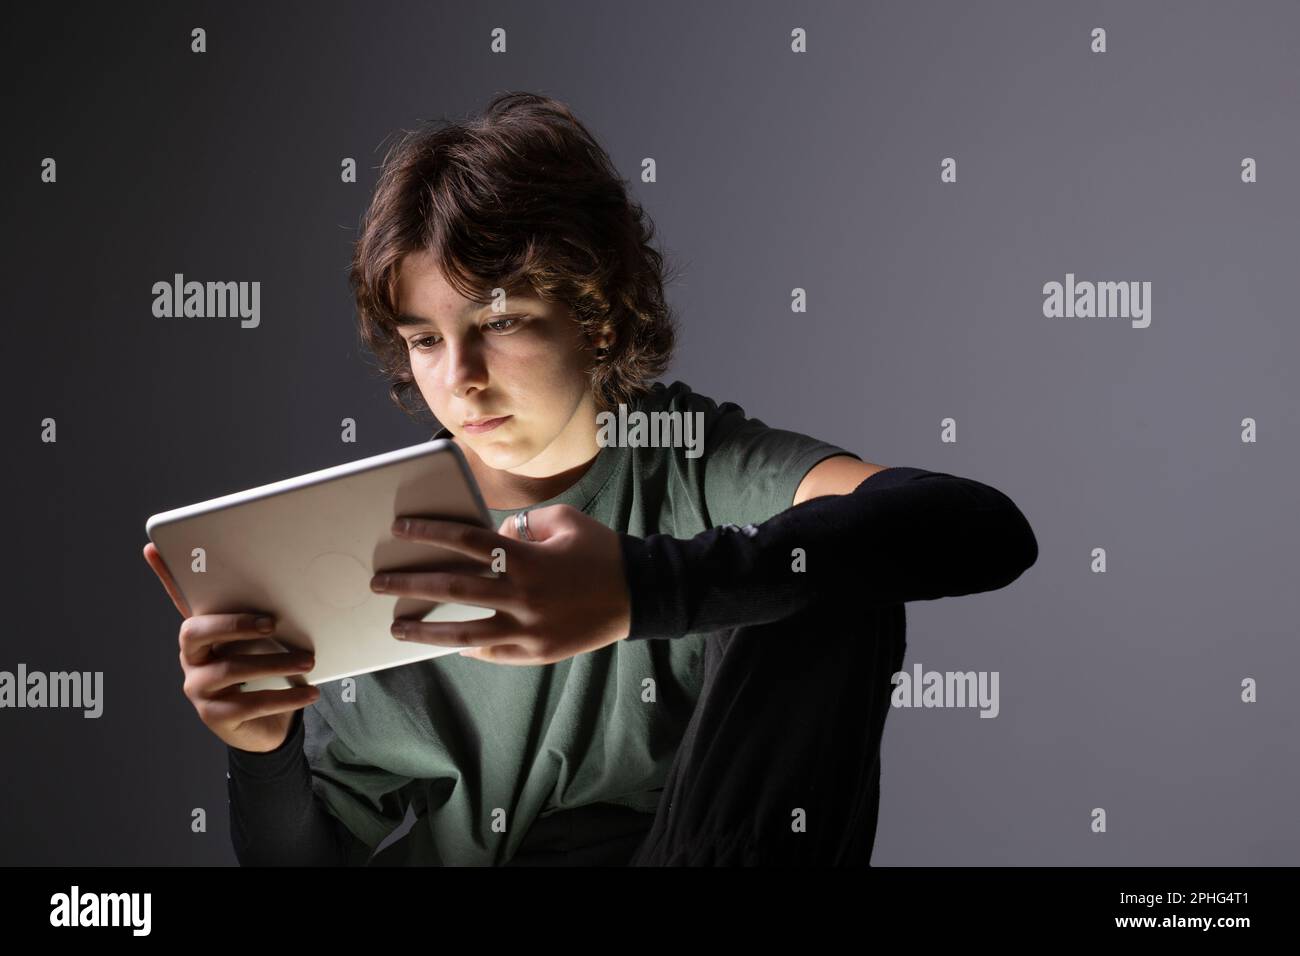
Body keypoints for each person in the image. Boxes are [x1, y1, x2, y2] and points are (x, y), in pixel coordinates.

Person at [143, 92, 1038, 866]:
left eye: (499, 323)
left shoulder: (692, 458)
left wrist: (637, 590)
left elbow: (982, 526)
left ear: (599, 319)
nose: (459, 377)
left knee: (843, 562)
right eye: (425, 340)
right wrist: (259, 749)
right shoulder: (374, 540)